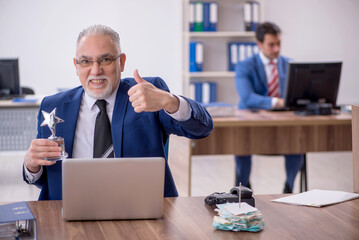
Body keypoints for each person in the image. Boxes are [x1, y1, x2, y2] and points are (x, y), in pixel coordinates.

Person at [23, 25, 214, 200]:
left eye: (105, 59)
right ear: (76, 66)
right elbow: (45, 182)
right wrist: (32, 164)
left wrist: (169, 101)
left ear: (121, 62)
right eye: (86, 61)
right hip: (72, 212)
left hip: (142, 210)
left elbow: (202, 128)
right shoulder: (53, 106)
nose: (96, 70)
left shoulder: (147, 92)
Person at [234, 22, 303, 193]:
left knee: (298, 142)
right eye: (271, 44)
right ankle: (244, 188)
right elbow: (247, 97)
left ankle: (289, 188)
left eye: (278, 43)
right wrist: (276, 102)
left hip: (283, 121)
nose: (276, 49)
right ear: (259, 44)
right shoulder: (245, 66)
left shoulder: (289, 64)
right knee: (241, 145)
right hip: (251, 121)